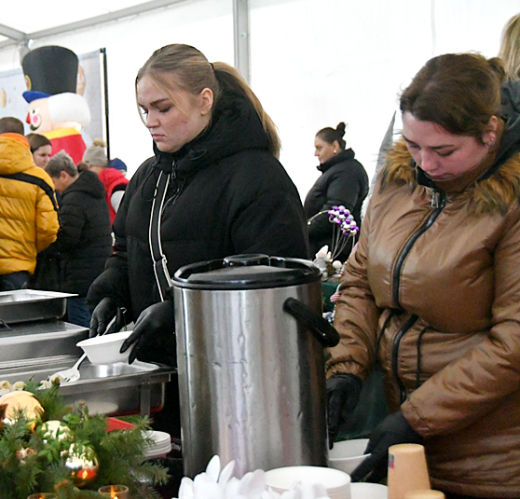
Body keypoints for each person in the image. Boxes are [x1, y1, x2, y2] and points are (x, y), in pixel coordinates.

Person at [86, 44, 308, 434]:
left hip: (237, 378)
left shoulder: (257, 177)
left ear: (205, 100)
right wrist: (112, 291)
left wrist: (180, 310)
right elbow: (126, 248)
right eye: (144, 110)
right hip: (160, 376)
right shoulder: (148, 176)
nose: (151, 121)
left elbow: (268, 278)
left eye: (163, 108)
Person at [325, 53, 520, 497]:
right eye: (413, 145)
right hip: (411, 448)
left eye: (444, 151)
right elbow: (359, 282)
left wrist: (418, 416)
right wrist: (347, 366)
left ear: (490, 133)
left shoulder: (511, 204)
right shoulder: (397, 184)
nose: (425, 164)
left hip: (494, 459)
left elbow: (514, 341)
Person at [0, 117, 59, 293]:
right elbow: (49, 229)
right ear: (23, 138)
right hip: (19, 264)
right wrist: (28, 247)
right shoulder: (39, 179)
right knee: (17, 318)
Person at [45, 152, 111, 327]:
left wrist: (45, 247)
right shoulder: (93, 192)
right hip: (97, 268)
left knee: (81, 325)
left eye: (54, 181)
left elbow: (68, 238)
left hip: (79, 274)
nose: (55, 188)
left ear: (64, 175)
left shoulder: (74, 198)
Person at [303, 122, 368, 261]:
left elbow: (334, 212)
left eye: (319, 148)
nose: (315, 153)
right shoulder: (338, 170)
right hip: (327, 249)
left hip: (334, 252)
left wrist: (302, 231)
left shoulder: (346, 172)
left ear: (334, 146)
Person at [82, 139, 129, 224]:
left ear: (94, 166)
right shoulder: (107, 186)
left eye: (87, 169)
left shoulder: (117, 188)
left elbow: (129, 219)